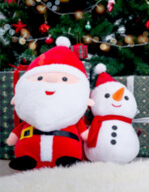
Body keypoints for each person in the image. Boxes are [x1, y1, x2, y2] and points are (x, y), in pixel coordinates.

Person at [6, 36, 94, 170]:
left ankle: (66, 160)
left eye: (65, 79)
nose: (51, 83)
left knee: (68, 161)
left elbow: (85, 134)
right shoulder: (28, 121)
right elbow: (15, 135)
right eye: (39, 78)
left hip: (66, 152)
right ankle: (28, 160)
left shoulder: (73, 121)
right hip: (29, 148)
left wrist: (90, 137)